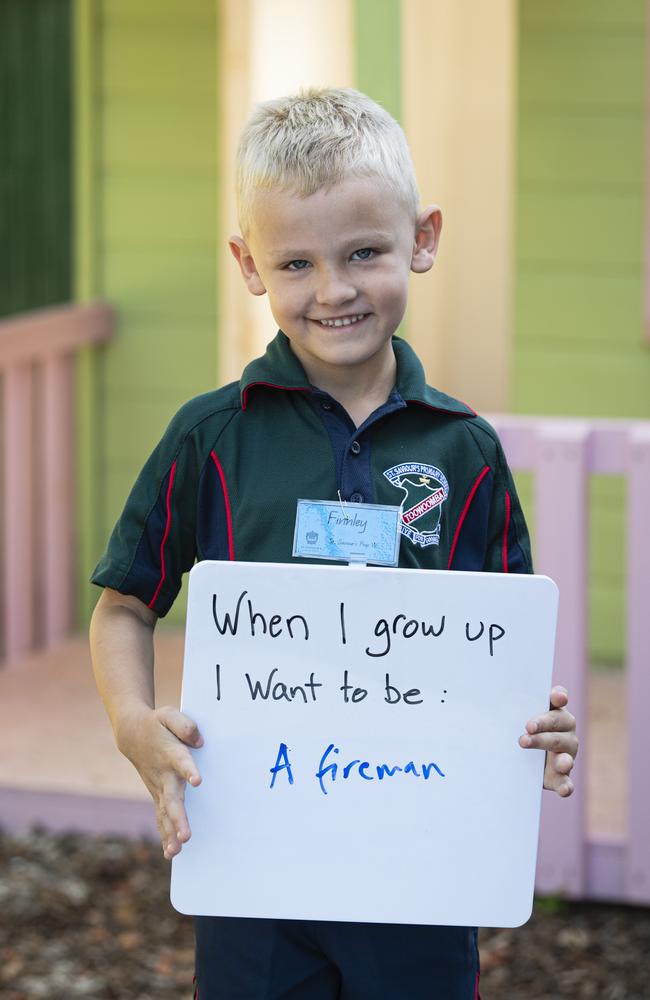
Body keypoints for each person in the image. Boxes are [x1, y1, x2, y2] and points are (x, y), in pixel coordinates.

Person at [89, 87, 578, 999]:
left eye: (363, 253)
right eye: (297, 263)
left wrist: (539, 724)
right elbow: (124, 604)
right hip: (254, 864)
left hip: (421, 866)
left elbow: (506, 639)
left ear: (423, 240)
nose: (334, 289)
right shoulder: (210, 437)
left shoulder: (465, 451)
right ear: (248, 264)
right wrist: (131, 724)